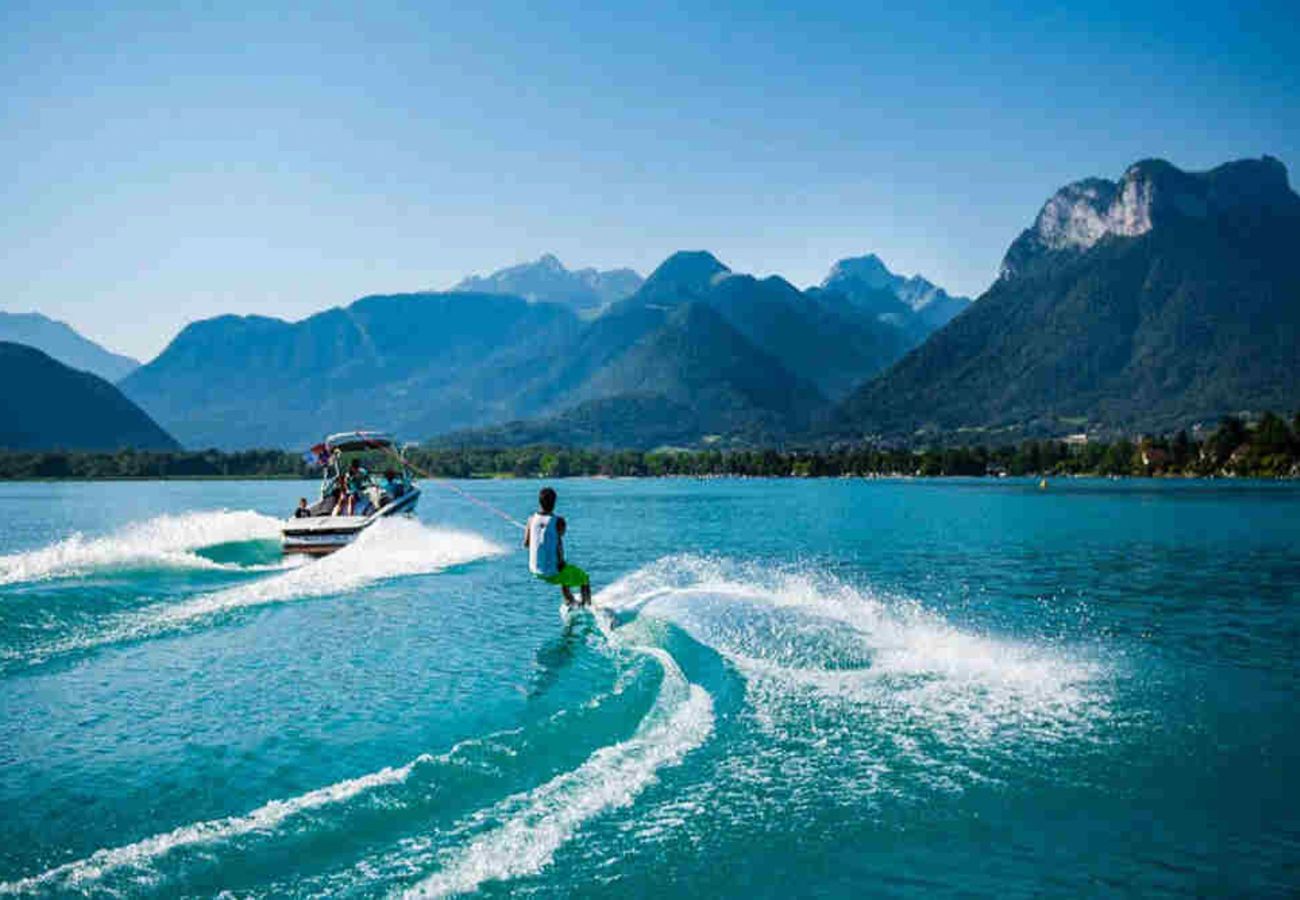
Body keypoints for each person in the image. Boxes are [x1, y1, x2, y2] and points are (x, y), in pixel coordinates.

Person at [523, 486, 592, 607]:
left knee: (564, 569)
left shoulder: (530, 519)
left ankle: (569, 600)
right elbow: (559, 539)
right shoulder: (559, 521)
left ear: (539, 502)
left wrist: (533, 531)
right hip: (552, 572)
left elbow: (526, 544)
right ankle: (587, 606)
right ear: (554, 503)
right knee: (584, 578)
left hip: (534, 569)